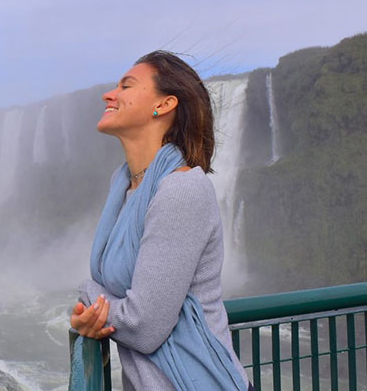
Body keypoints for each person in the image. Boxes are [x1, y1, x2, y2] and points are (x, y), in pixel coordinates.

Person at [69, 51, 251, 390]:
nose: (109, 94)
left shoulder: (182, 189)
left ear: (164, 105)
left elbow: (143, 327)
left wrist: (87, 293)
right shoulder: (123, 186)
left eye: (126, 85)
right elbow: (122, 301)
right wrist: (92, 315)